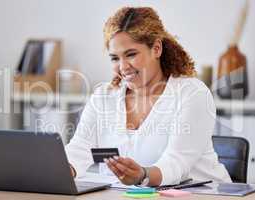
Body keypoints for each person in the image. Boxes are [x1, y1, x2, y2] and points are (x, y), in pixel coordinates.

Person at [65, 6, 231, 186]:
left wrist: (143, 175)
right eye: (114, 58)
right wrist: (61, 170)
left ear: (157, 48)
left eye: (131, 54)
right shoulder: (103, 96)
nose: (123, 67)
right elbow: (79, 149)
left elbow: (176, 163)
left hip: (205, 195)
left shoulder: (192, 93)